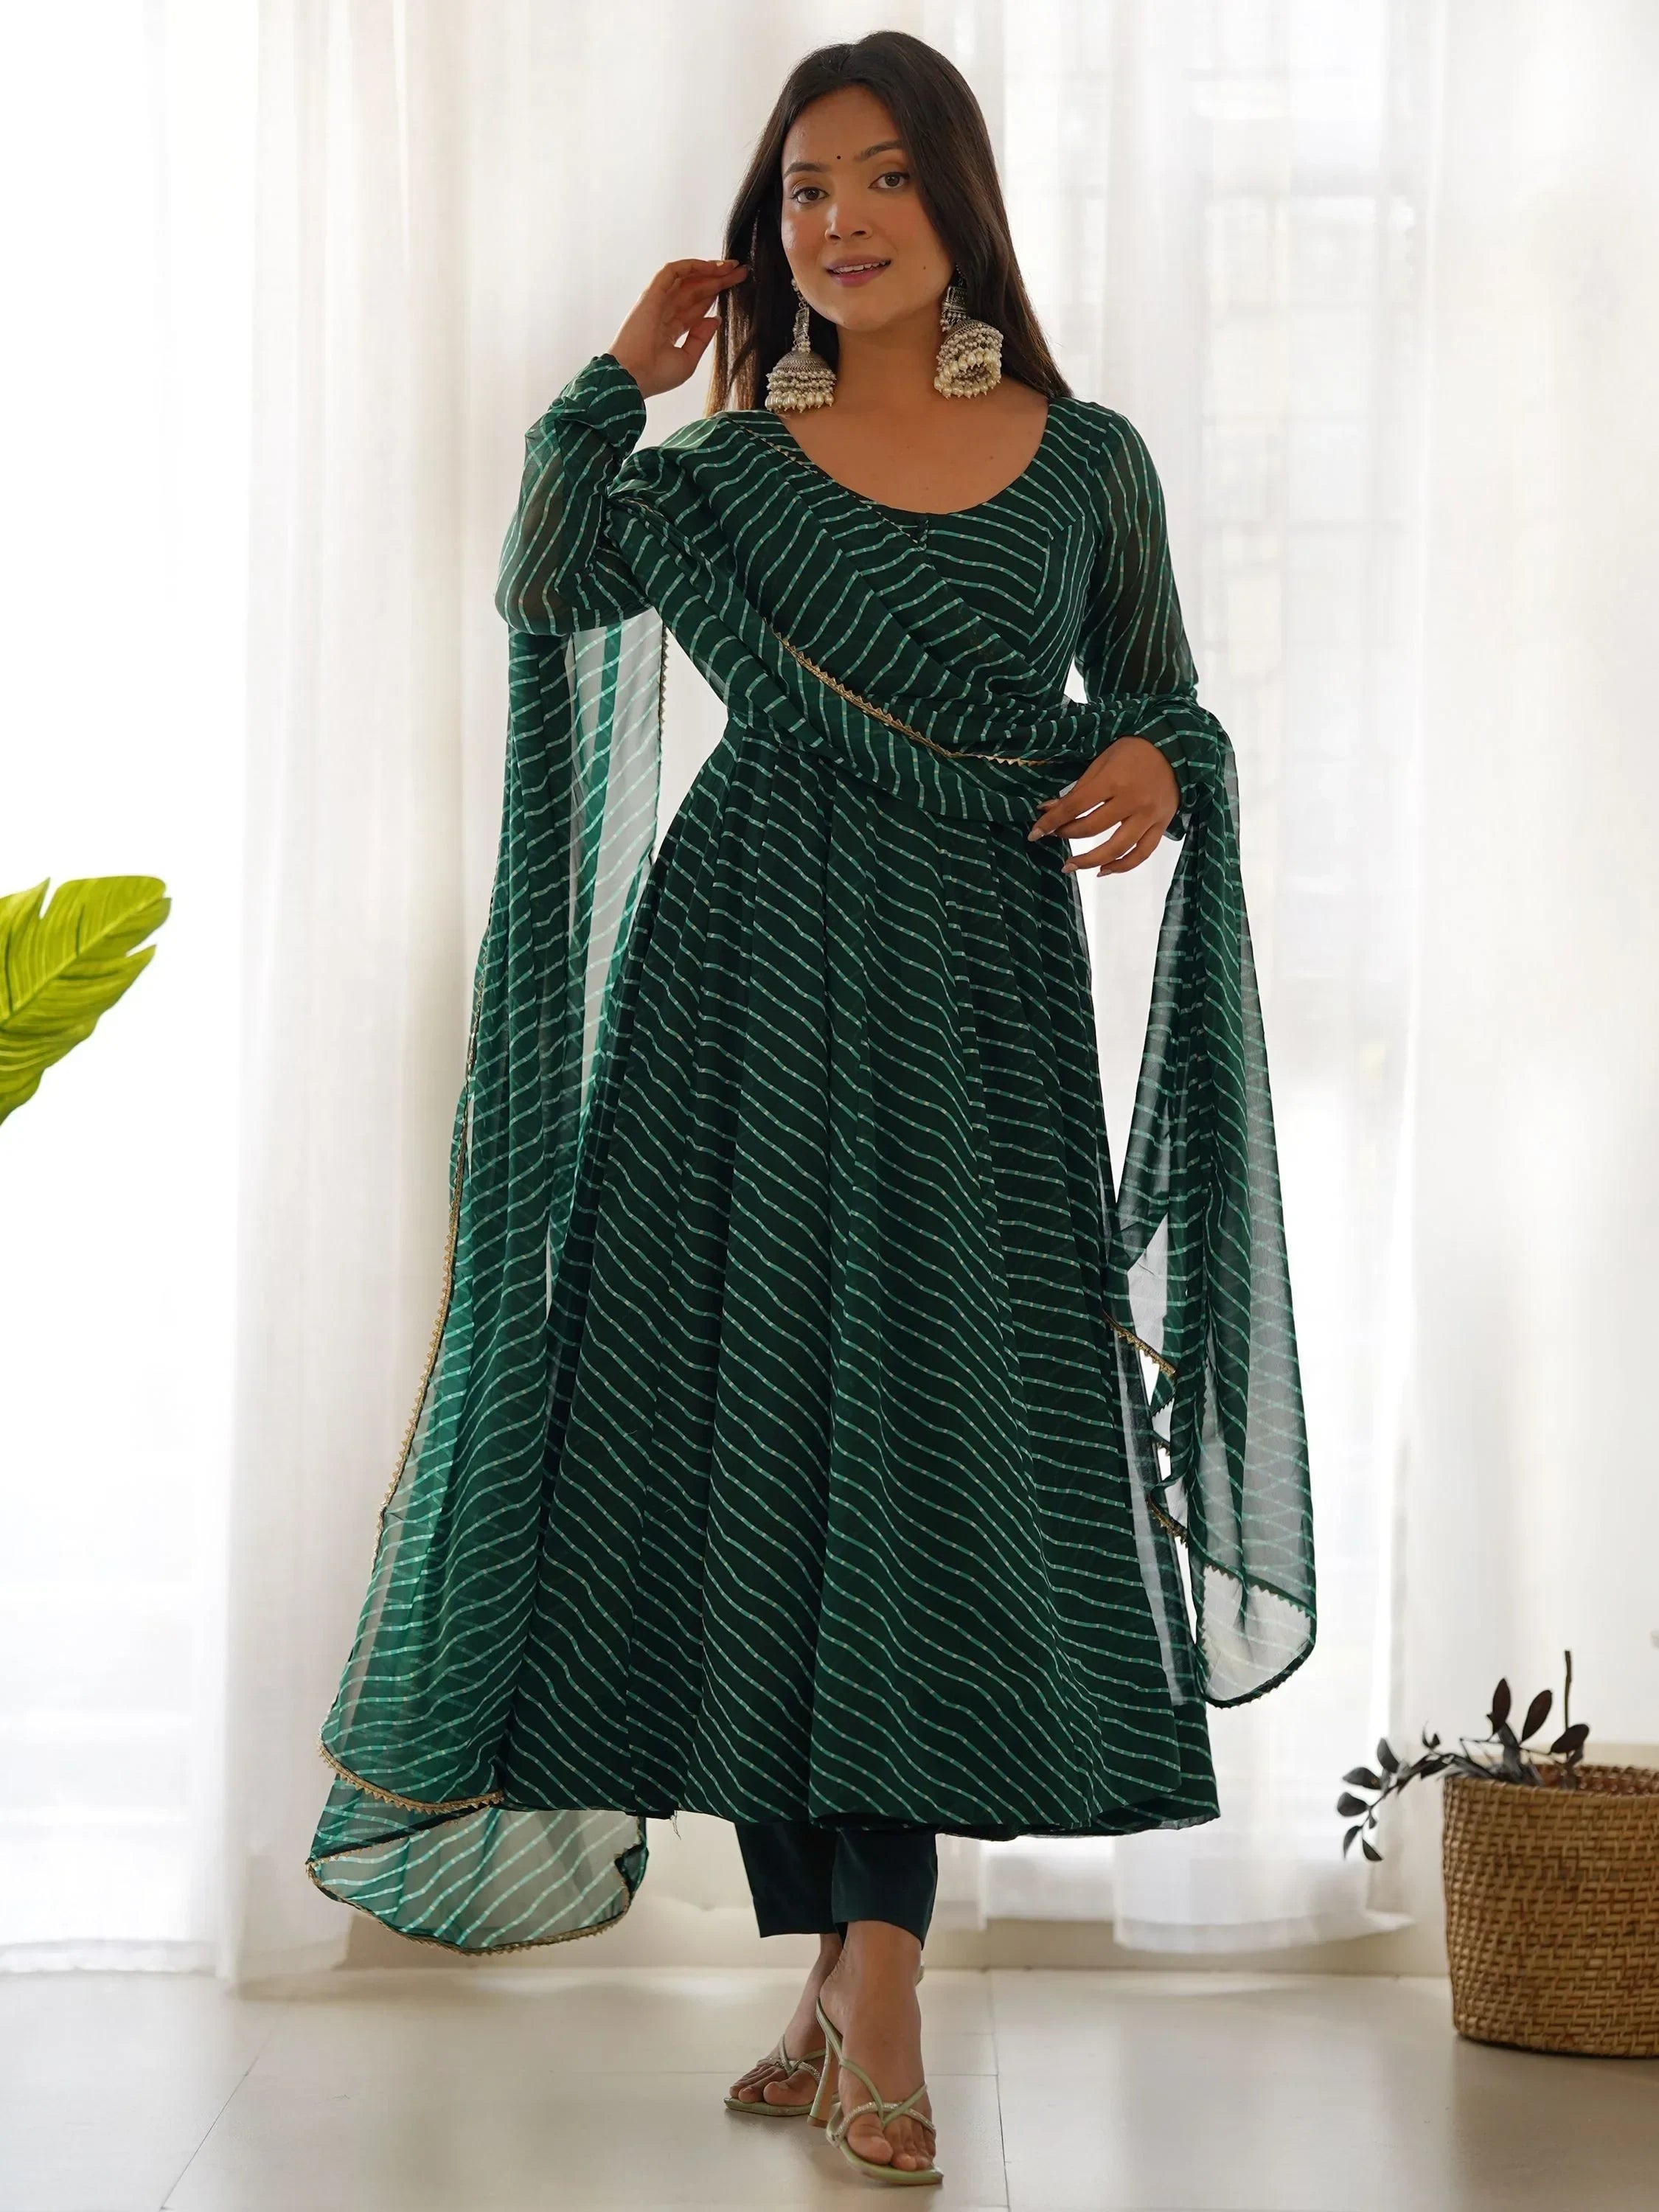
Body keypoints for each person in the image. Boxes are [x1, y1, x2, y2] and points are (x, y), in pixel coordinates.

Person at [306, 29, 1313, 2193]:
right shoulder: (721, 481)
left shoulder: (1083, 459)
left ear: (956, 204)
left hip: (976, 1005)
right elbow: (550, 587)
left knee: (943, 1463)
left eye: (874, 182)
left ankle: (852, 1965)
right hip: (739, 985)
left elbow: (1157, 695)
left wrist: (1158, 769)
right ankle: (864, 1971)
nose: (833, 225)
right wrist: (609, 377)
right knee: (761, 1453)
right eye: (796, 194)